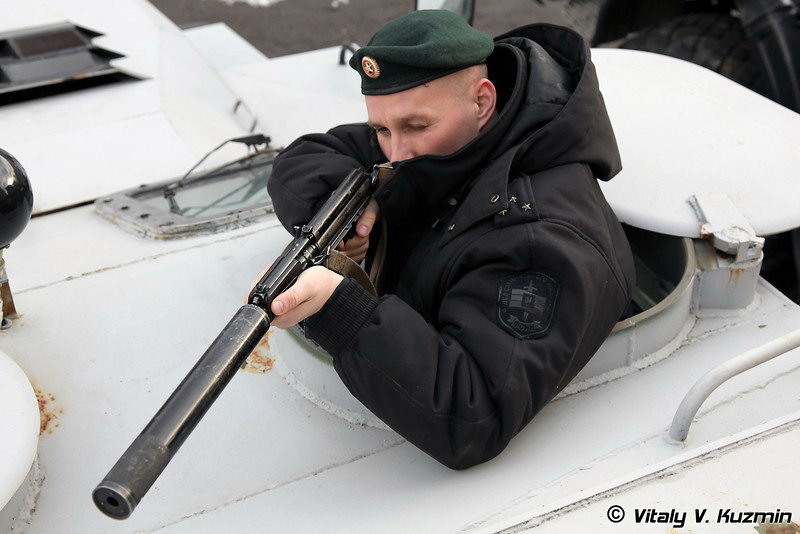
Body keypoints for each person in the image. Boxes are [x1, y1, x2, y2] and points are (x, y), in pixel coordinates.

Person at [263, 10, 635, 468]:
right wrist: (352, 213)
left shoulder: (540, 239)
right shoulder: (454, 136)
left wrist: (339, 307)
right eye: (381, 129)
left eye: (415, 127)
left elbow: (472, 414)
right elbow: (308, 157)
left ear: (483, 101)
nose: (396, 153)